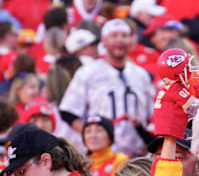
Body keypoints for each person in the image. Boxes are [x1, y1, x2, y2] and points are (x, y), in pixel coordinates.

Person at [60, 19, 155, 157]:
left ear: (131, 40)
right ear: (103, 40)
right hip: (103, 156)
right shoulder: (88, 72)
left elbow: (151, 115)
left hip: (138, 156)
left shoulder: (141, 74)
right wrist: (93, 136)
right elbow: (68, 111)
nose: (119, 40)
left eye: (124, 36)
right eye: (114, 35)